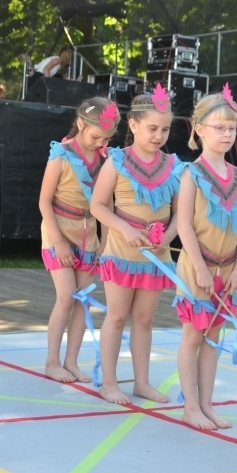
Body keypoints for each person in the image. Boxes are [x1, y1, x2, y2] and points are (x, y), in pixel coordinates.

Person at [90, 84, 181, 405]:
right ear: (133, 125)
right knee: (116, 316)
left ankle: (142, 382)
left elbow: (180, 216)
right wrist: (125, 229)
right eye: (152, 128)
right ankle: (110, 383)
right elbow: (98, 206)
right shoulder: (117, 161)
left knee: (144, 319)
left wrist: (166, 240)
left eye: (165, 129)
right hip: (121, 250)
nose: (159, 135)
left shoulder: (173, 166)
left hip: (155, 255)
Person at [174, 84, 237, 430]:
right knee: (193, 335)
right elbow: (184, 225)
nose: (226, 134)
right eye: (219, 128)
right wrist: (200, 269)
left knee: (213, 339)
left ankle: (207, 403)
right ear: (200, 130)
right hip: (198, 270)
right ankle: (190, 406)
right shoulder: (192, 173)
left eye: (231, 128)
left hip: (227, 272)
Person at [39, 97, 121, 383]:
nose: (100, 143)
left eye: (107, 138)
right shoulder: (60, 155)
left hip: (88, 234)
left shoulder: (106, 159)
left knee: (82, 300)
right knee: (65, 296)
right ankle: (52, 362)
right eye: (96, 136)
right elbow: (44, 202)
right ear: (80, 124)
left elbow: (107, 205)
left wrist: (105, 240)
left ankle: (71, 361)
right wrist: (59, 242)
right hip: (57, 230)